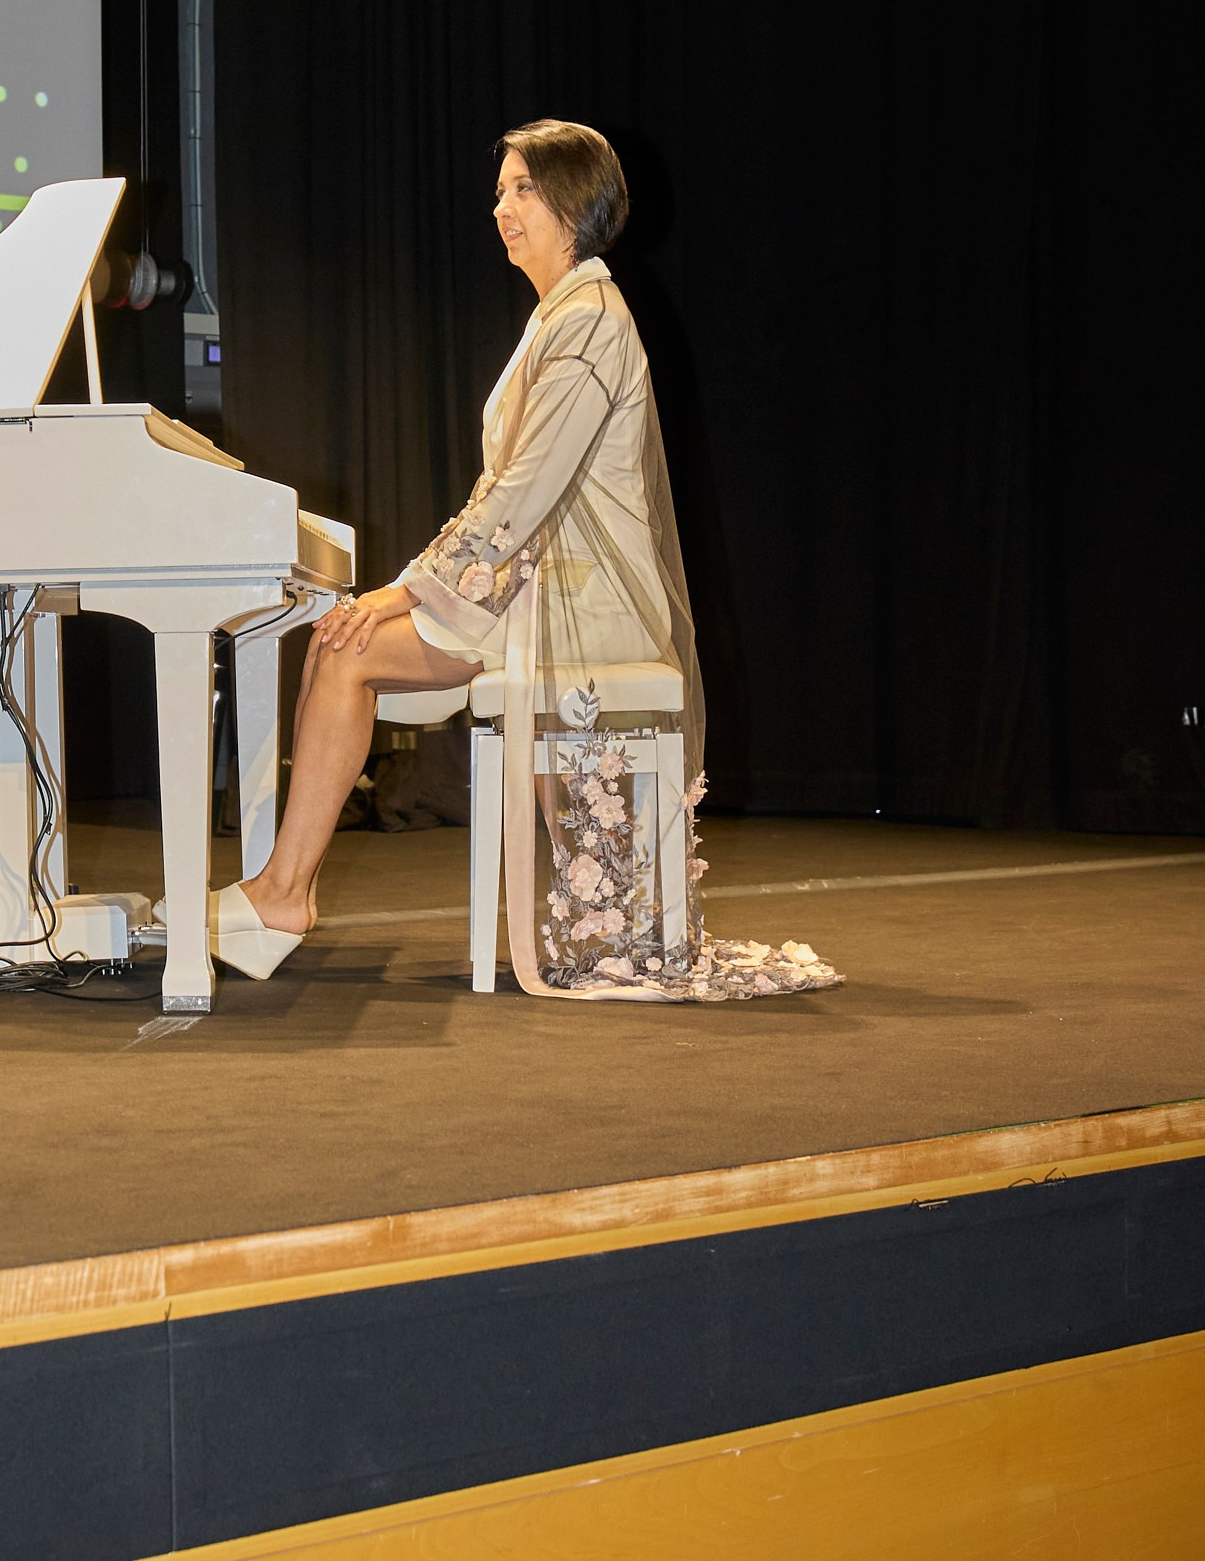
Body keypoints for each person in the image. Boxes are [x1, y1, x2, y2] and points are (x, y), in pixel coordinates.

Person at [203, 120, 837, 1001]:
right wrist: (414, 589)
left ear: (574, 202)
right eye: (500, 191)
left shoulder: (590, 322)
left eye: (523, 189)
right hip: (538, 582)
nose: (502, 206)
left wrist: (404, 590)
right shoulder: (562, 317)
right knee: (338, 642)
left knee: (347, 648)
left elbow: (521, 494)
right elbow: (508, 493)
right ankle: (280, 889)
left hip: (585, 600)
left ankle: (282, 897)